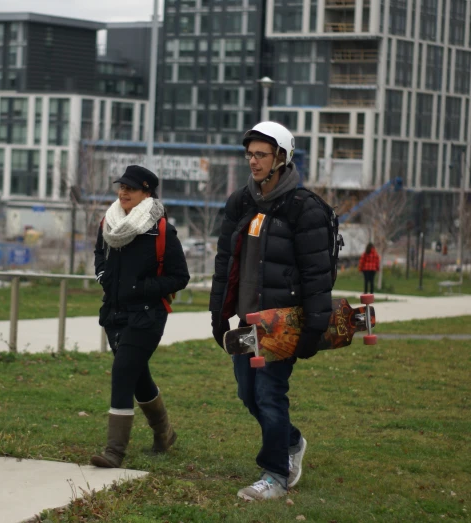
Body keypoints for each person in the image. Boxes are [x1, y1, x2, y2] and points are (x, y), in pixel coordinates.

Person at [209, 122, 334, 501]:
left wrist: (314, 327)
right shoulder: (241, 202)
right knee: (247, 394)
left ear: (282, 157)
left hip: (280, 325)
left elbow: (317, 273)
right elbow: (224, 261)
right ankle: (291, 441)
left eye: (261, 154)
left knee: (269, 394)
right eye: (250, 154)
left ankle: (275, 475)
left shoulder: (303, 208)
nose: (253, 161)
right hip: (246, 324)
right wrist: (219, 314)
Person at [90, 165, 190, 468]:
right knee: (137, 376)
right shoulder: (108, 223)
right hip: (114, 312)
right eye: (121, 187)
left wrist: (144, 287)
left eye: (131, 189)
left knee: (122, 371)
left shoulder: (160, 230)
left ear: (147, 193)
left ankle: (114, 451)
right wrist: (104, 276)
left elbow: (180, 276)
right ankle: (164, 433)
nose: (123, 193)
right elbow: (99, 255)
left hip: (148, 315)